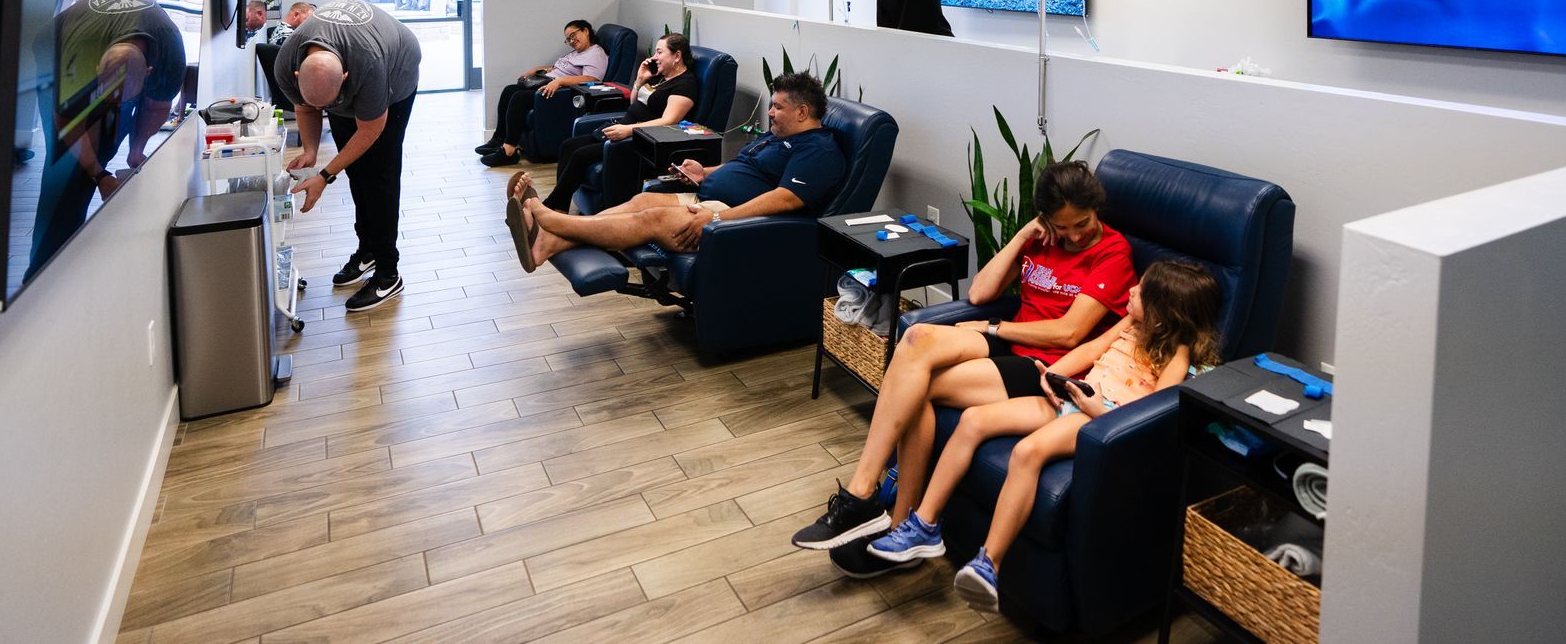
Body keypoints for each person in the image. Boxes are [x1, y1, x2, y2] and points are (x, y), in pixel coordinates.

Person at [790, 161, 1135, 572]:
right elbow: (981, 290)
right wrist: (1025, 234)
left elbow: (1069, 333)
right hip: (1012, 340)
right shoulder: (1041, 238)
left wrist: (994, 326)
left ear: (1097, 208)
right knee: (916, 340)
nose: (1075, 235)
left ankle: (891, 516)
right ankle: (873, 500)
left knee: (918, 385)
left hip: (1047, 363)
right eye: (1063, 228)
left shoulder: (1113, 252)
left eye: (1083, 223)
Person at [865, 260, 1222, 612]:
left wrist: (1098, 411)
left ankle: (989, 564)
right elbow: (1090, 351)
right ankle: (925, 523)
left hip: (1101, 420)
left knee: (1027, 452)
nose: (1131, 291)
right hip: (1073, 398)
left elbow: (1154, 415)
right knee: (973, 420)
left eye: (1141, 292)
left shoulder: (1179, 355)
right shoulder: (1132, 324)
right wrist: (1052, 374)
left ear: (1162, 313)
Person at [504, 71, 845, 275]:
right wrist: (705, 171)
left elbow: (784, 199)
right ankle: (547, 243)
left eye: (778, 107)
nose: (770, 113)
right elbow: (747, 168)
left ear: (802, 112)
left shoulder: (818, 150)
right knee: (642, 198)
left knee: (650, 217)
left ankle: (549, 220)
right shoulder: (780, 135)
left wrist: (717, 221)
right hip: (709, 197)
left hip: (732, 220)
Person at [273, 0, 421, 312]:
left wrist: (325, 176)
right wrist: (311, 151)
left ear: (344, 79)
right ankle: (367, 248)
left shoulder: (369, 64)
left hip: (398, 70)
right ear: (297, 75)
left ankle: (387, 272)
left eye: (335, 101)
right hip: (349, 65)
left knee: (379, 173)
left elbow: (369, 131)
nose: (331, 110)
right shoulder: (285, 62)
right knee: (356, 168)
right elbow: (305, 107)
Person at [29, 0, 187, 273]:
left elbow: (156, 107)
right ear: (97, 71)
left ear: (149, 73)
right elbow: (68, 123)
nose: (114, 103)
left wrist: (136, 151)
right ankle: (44, 269)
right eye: (107, 93)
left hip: (130, 42)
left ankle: (79, 249)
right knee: (66, 169)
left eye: (122, 97)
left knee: (109, 137)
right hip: (56, 42)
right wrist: (99, 175)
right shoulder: (78, 60)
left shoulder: (171, 53)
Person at [540, 32, 697, 212]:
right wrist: (640, 79)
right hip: (623, 126)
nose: (654, 57)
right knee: (568, 146)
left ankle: (551, 207)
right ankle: (560, 206)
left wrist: (628, 130)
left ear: (677, 56)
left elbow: (668, 121)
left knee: (580, 155)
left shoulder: (685, 84)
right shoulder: (660, 76)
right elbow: (634, 103)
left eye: (660, 52)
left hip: (640, 139)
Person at [475, 19, 608, 167]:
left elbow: (592, 79)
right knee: (509, 90)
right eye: (568, 39)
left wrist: (559, 81)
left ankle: (508, 152)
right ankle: (498, 139)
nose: (571, 40)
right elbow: (558, 68)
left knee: (519, 98)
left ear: (585, 31)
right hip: (548, 83)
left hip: (560, 93)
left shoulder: (596, 53)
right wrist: (538, 70)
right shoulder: (577, 53)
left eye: (573, 35)